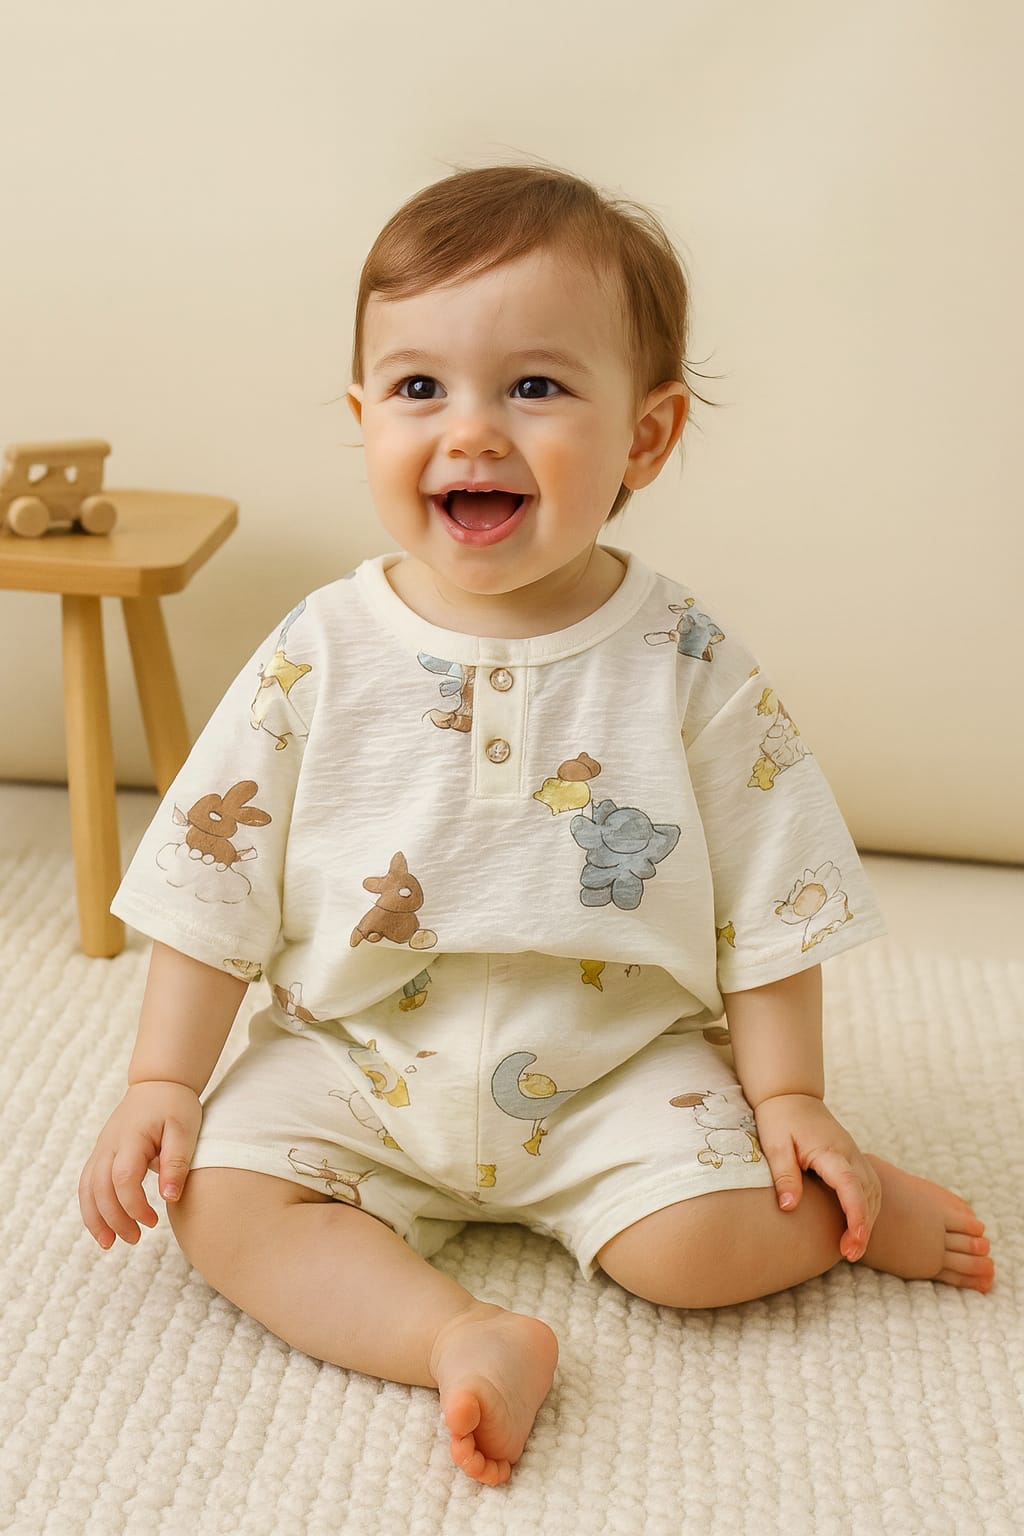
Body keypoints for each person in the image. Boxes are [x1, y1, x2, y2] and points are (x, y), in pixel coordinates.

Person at [78, 162, 994, 1488]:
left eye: (535, 387)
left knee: (706, 1247)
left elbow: (774, 889)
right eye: (419, 388)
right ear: (362, 417)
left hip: (616, 1066)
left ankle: (863, 1207)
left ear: (646, 437)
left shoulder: (684, 659)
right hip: (356, 1056)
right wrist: (163, 1083)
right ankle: (461, 1337)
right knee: (220, 1204)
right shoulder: (320, 651)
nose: (472, 432)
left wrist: (791, 1098)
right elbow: (216, 879)